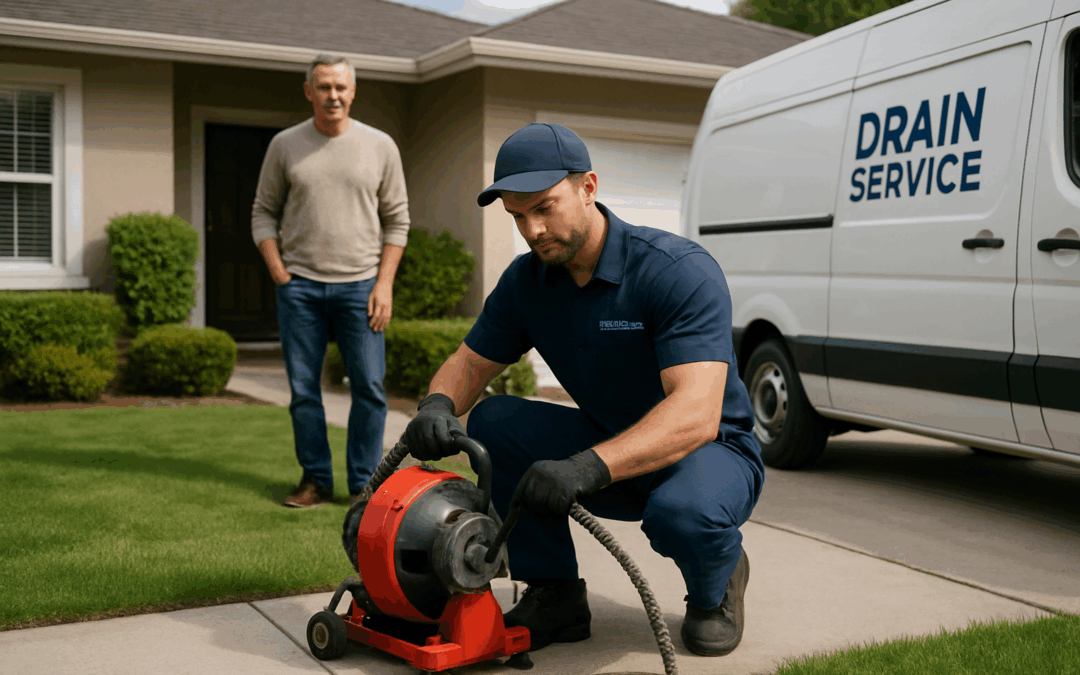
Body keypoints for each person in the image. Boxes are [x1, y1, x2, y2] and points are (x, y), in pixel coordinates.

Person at [403, 123, 764, 657]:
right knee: (495, 424)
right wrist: (437, 404)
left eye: (544, 207)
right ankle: (555, 594)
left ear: (588, 187)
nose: (532, 229)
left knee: (681, 514)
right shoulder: (528, 282)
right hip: (606, 439)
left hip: (709, 454)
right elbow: (469, 363)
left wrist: (583, 467)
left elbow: (696, 413)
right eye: (517, 216)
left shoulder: (675, 271)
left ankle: (717, 584)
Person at [252, 54, 410, 508]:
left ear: (353, 91)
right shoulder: (285, 145)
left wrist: (384, 284)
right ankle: (316, 481)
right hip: (299, 288)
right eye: (323, 87)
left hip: (362, 287)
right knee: (304, 392)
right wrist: (279, 271)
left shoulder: (380, 146)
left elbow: (397, 220)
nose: (333, 95)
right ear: (309, 91)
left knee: (369, 389)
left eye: (341, 87)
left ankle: (364, 483)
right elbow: (263, 211)